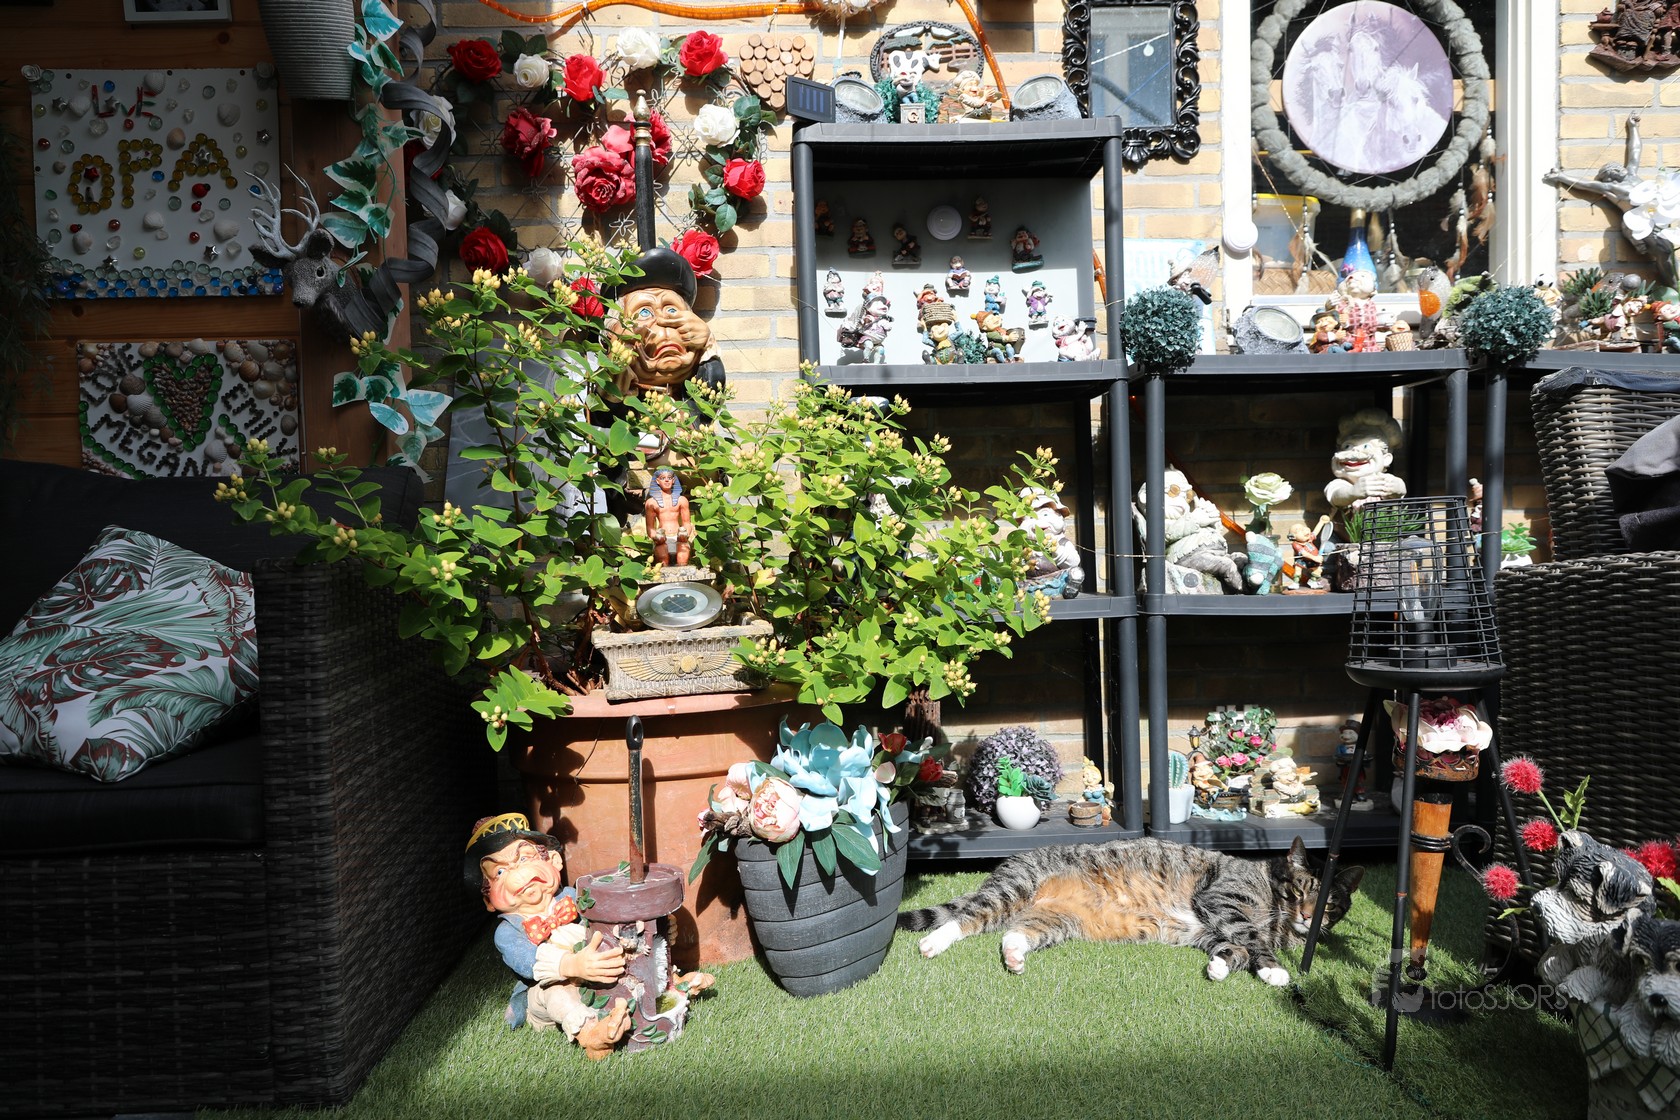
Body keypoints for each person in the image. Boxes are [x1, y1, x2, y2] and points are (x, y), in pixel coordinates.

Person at [466, 812, 631, 1058]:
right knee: (556, 993)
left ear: (554, 860)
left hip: (592, 975)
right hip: (546, 992)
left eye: (525, 858)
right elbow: (529, 963)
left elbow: (607, 918)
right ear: (489, 900)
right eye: (499, 873)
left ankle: (665, 988)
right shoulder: (507, 932)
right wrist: (571, 965)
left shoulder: (575, 897)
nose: (518, 874)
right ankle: (591, 1034)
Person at [1544, 114, 1680, 291]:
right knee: (1664, 252)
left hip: (1655, 218)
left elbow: (1635, 150)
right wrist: (1561, 177)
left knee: (1668, 251)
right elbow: (1587, 184)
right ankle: (1674, 286)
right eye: (1613, 170)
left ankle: (1674, 284)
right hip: (1641, 223)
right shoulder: (1613, 188)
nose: (1619, 169)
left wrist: (1633, 128)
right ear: (1610, 177)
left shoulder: (1631, 174)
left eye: (1617, 167)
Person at [645, 467, 692, 566]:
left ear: (673, 480)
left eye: (669, 478)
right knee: (663, 559)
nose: (666, 480)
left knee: (683, 558)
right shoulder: (651, 503)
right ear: (657, 481)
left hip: (679, 538)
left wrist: (685, 534)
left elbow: (687, 523)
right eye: (663, 478)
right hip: (662, 539)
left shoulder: (682, 500)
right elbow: (650, 528)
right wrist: (656, 537)